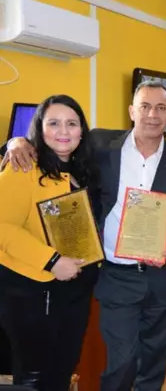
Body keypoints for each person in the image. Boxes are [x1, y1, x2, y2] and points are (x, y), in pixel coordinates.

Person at [1, 80, 166, 391]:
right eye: (145, 106)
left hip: (158, 277)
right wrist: (15, 143)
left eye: (161, 108)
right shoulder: (102, 146)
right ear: (132, 111)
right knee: (120, 364)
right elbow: (52, 144)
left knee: (153, 364)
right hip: (113, 276)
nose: (152, 114)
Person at [0, 95, 100, 391]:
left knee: (62, 370)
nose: (63, 131)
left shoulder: (84, 171)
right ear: (39, 129)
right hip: (32, 292)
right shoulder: (22, 167)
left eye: (72, 123)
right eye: (54, 123)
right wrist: (52, 261)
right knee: (34, 377)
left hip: (75, 291)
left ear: (82, 130)